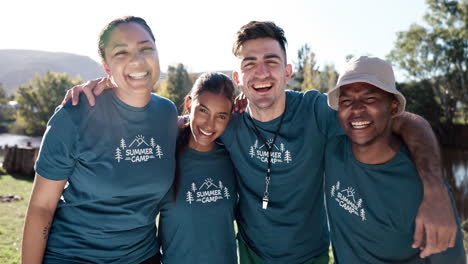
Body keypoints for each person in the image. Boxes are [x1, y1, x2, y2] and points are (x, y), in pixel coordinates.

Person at [63, 21, 457, 264]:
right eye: (249, 62)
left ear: (287, 71)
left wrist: (435, 186)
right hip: (249, 254)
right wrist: (108, 88)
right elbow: (164, 123)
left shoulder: (318, 111)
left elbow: (403, 120)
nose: (261, 71)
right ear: (239, 78)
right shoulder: (227, 123)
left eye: (271, 60)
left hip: (311, 256)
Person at [22, 16, 178, 264]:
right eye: (121, 53)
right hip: (75, 257)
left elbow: (209, 120)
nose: (137, 60)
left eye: (145, 48)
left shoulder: (168, 114)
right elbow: (42, 208)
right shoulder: (74, 115)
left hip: (143, 257)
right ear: (106, 66)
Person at [324, 56, 466, 263]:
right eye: (346, 101)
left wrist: (435, 188)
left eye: (370, 99)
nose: (356, 109)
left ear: (393, 108)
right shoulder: (331, 149)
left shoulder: (426, 193)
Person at [158, 72, 238, 264]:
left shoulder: (233, 157)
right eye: (203, 111)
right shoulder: (164, 155)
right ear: (188, 104)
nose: (210, 125)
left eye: (221, 116)